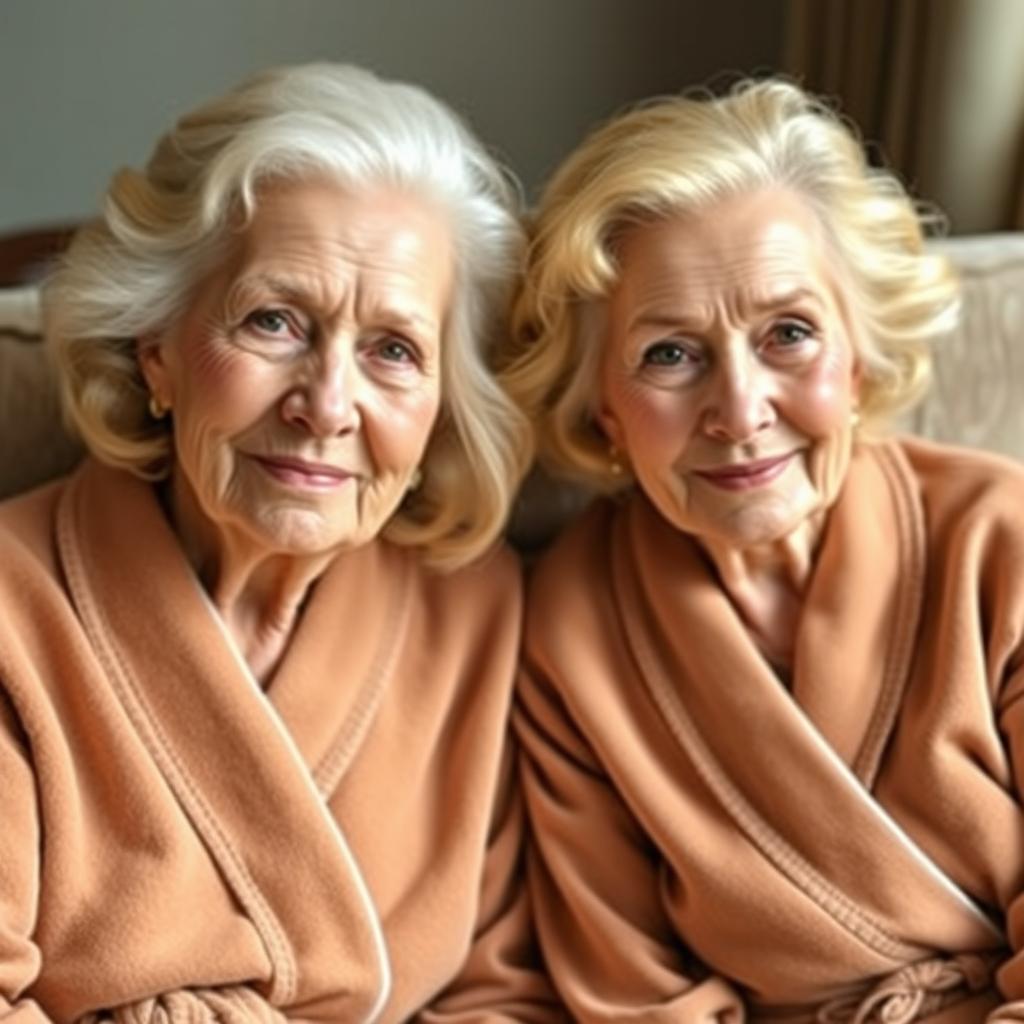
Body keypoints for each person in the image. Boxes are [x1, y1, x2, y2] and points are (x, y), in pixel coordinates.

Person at [0, 63, 562, 1023]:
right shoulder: (14, 612)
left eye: (393, 350)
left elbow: (505, 992)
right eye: (273, 321)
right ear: (158, 350)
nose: (328, 406)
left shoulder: (479, 612)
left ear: (441, 407)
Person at [504, 78, 1024, 1023]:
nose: (740, 412)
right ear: (602, 408)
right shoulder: (569, 624)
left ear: (859, 360)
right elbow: (634, 994)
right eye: (669, 354)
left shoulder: (1002, 541)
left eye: (789, 334)